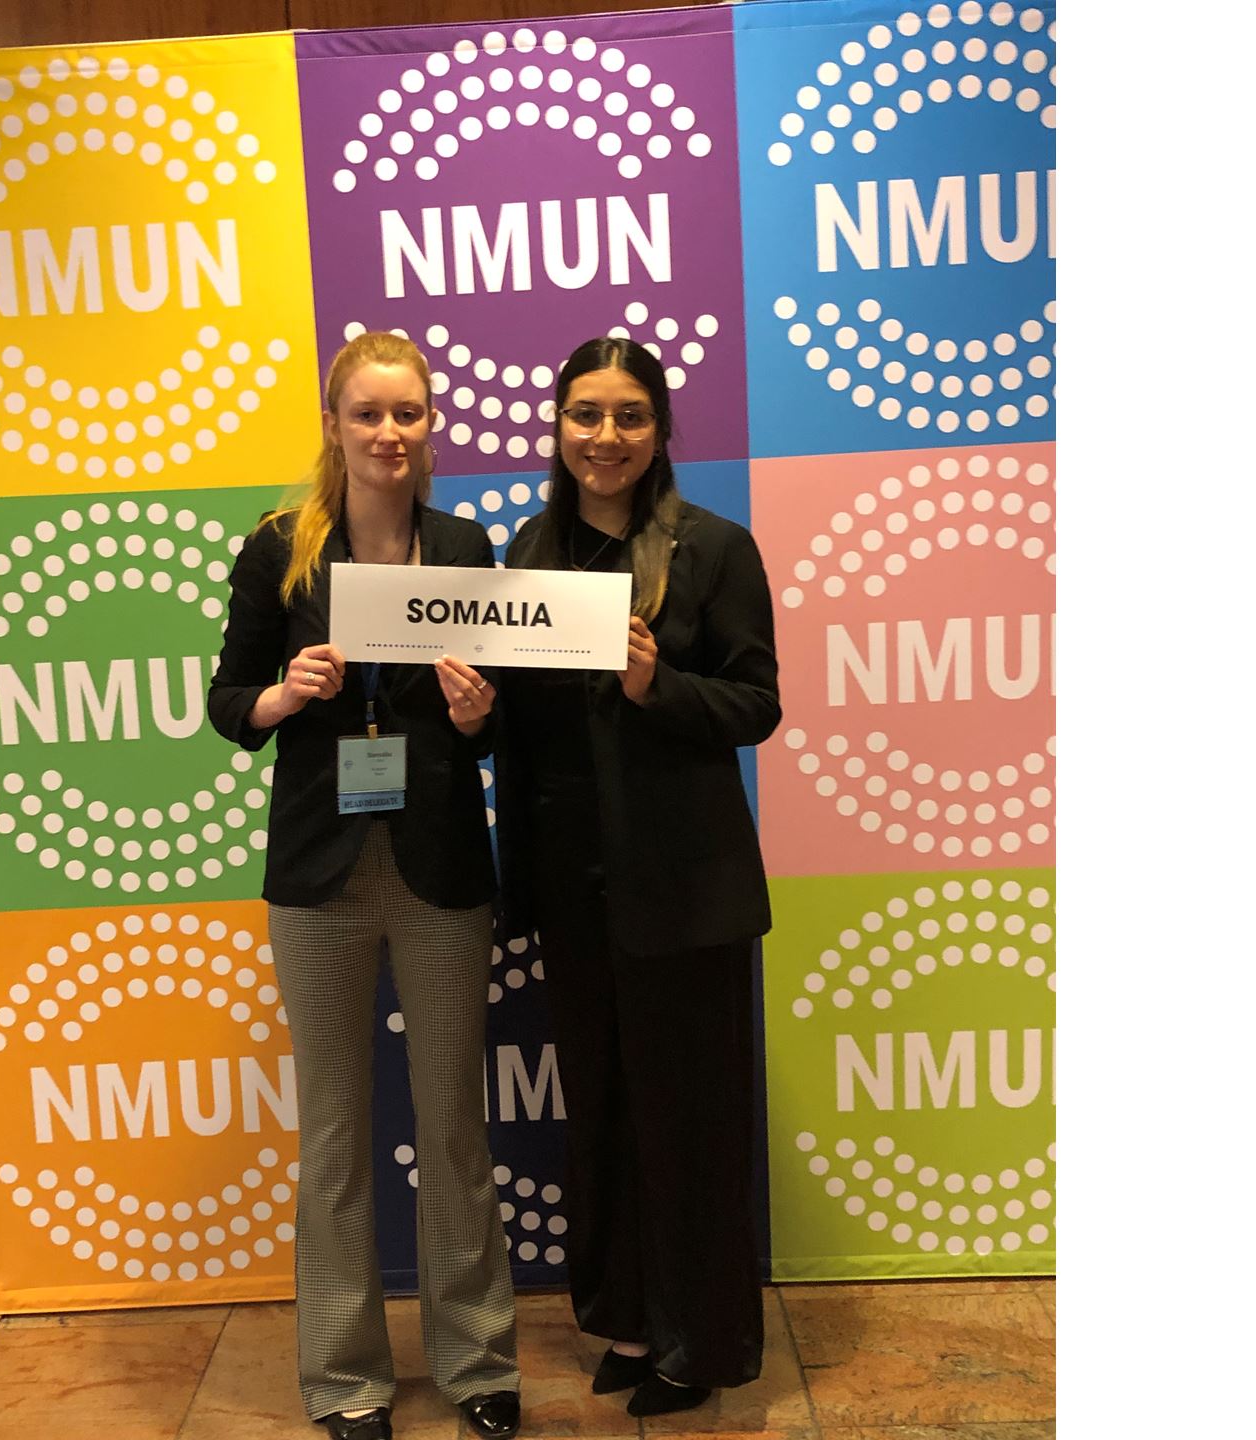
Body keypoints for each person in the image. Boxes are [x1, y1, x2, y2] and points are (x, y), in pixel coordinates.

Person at [206, 332, 521, 1440]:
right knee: (335, 1136)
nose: (390, 433)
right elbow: (228, 704)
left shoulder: (463, 545)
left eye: (408, 413)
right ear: (334, 425)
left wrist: (480, 716)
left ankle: (478, 1363)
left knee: (454, 1128)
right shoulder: (280, 549)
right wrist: (284, 694)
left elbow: (496, 723)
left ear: (431, 423)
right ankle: (345, 1380)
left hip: (440, 868)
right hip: (318, 876)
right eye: (369, 413)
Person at [496, 336, 780, 1419]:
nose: (604, 436)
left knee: (690, 1124)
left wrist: (660, 684)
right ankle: (628, 1320)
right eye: (585, 414)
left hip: (686, 891)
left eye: (628, 416)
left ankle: (698, 1344)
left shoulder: (713, 548)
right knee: (605, 1113)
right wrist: (477, 718)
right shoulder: (531, 553)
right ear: (558, 427)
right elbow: (532, 726)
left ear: (660, 431)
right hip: (576, 890)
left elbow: (755, 705)